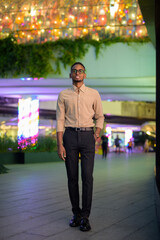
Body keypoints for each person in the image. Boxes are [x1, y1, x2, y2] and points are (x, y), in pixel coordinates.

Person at [56, 62, 104, 232]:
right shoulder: (63, 95)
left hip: (87, 136)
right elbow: (60, 120)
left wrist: (96, 133)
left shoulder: (93, 94)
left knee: (87, 177)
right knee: (72, 177)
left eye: (81, 71)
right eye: (74, 71)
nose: (77, 73)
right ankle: (76, 214)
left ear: (85, 74)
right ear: (70, 75)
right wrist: (60, 143)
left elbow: (99, 117)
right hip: (69, 136)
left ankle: (85, 217)